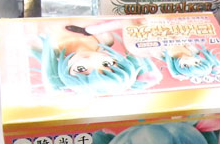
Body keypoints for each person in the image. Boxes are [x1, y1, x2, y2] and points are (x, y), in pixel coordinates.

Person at [32, 23, 161, 94]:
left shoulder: (44, 45)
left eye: (81, 69)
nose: (89, 61)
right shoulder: (107, 38)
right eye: (106, 64)